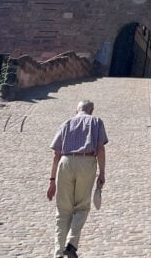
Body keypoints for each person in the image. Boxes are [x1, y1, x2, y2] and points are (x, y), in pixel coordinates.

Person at [47, 100, 108, 258]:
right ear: (92, 110)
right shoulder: (96, 121)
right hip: (87, 162)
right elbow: (100, 148)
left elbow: (55, 154)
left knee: (63, 211)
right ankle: (71, 243)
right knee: (81, 207)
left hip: (65, 162)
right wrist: (102, 173)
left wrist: (52, 180)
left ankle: (58, 253)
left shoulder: (66, 123)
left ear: (77, 110)